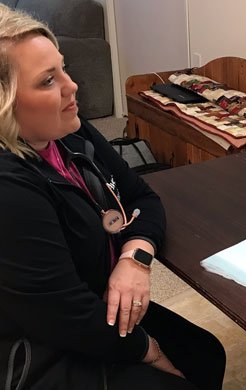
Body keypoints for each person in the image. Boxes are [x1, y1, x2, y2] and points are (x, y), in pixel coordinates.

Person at [0, 5, 225, 389]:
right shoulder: (10, 188)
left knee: (206, 353)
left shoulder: (69, 129)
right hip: (40, 344)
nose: (73, 87)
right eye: (48, 81)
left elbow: (143, 197)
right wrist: (149, 350)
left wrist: (134, 259)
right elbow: (66, 315)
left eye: (64, 68)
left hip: (98, 306)